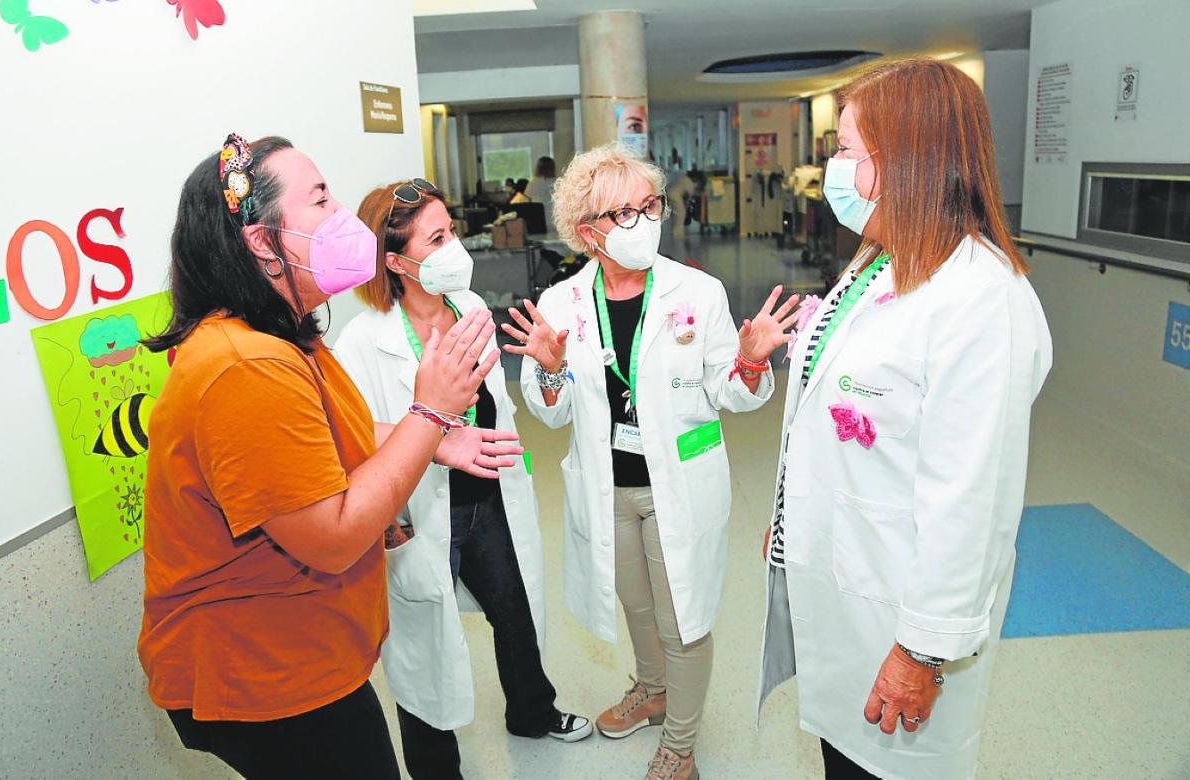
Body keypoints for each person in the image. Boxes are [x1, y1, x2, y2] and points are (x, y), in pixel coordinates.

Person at [138, 134, 522, 779]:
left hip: (301, 650)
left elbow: (324, 435)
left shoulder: (279, 336)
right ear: (263, 243)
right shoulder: (245, 366)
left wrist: (432, 437)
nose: (343, 215)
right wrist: (429, 414)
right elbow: (334, 539)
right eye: (320, 200)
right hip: (264, 673)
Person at [756, 59, 1053, 779]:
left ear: (905, 162)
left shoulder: (983, 299)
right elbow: (835, 409)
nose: (833, 169)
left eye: (848, 153)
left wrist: (922, 649)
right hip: (842, 581)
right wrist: (792, 515)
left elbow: (971, 502)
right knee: (843, 759)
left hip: (900, 619)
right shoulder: (875, 267)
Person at [504, 143, 799, 780]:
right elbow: (551, 412)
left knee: (683, 615)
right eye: (624, 213)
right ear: (588, 232)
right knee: (636, 603)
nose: (645, 221)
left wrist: (748, 362)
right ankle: (653, 688)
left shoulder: (699, 290)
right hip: (607, 486)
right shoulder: (561, 306)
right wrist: (550, 373)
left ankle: (681, 745)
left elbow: (729, 391)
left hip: (681, 486)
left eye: (651, 205)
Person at [334, 179, 593, 779]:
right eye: (438, 237)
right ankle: (434, 766)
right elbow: (347, 431)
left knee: (515, 607)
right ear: (397, 262)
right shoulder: (363, 342)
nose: (456, 245)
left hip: (487, 493)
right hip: (423, 508)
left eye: (452, 229)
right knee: (424, 638)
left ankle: (532, 710)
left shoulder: (470, 307)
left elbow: (493, 403)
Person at [527, 156, 557, 231]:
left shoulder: (533, 183)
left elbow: (527, 200)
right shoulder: (557, 183)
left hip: (537, 219)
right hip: (555, 219)